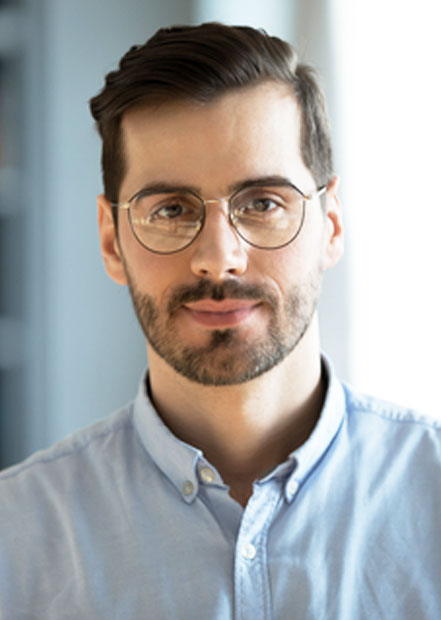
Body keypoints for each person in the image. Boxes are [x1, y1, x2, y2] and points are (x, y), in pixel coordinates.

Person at [1, 22, 440, 620]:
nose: (218, 258)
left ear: (330, 224)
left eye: (262, 203)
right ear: (111, 240)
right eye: (171, 210)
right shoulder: (15, 539)